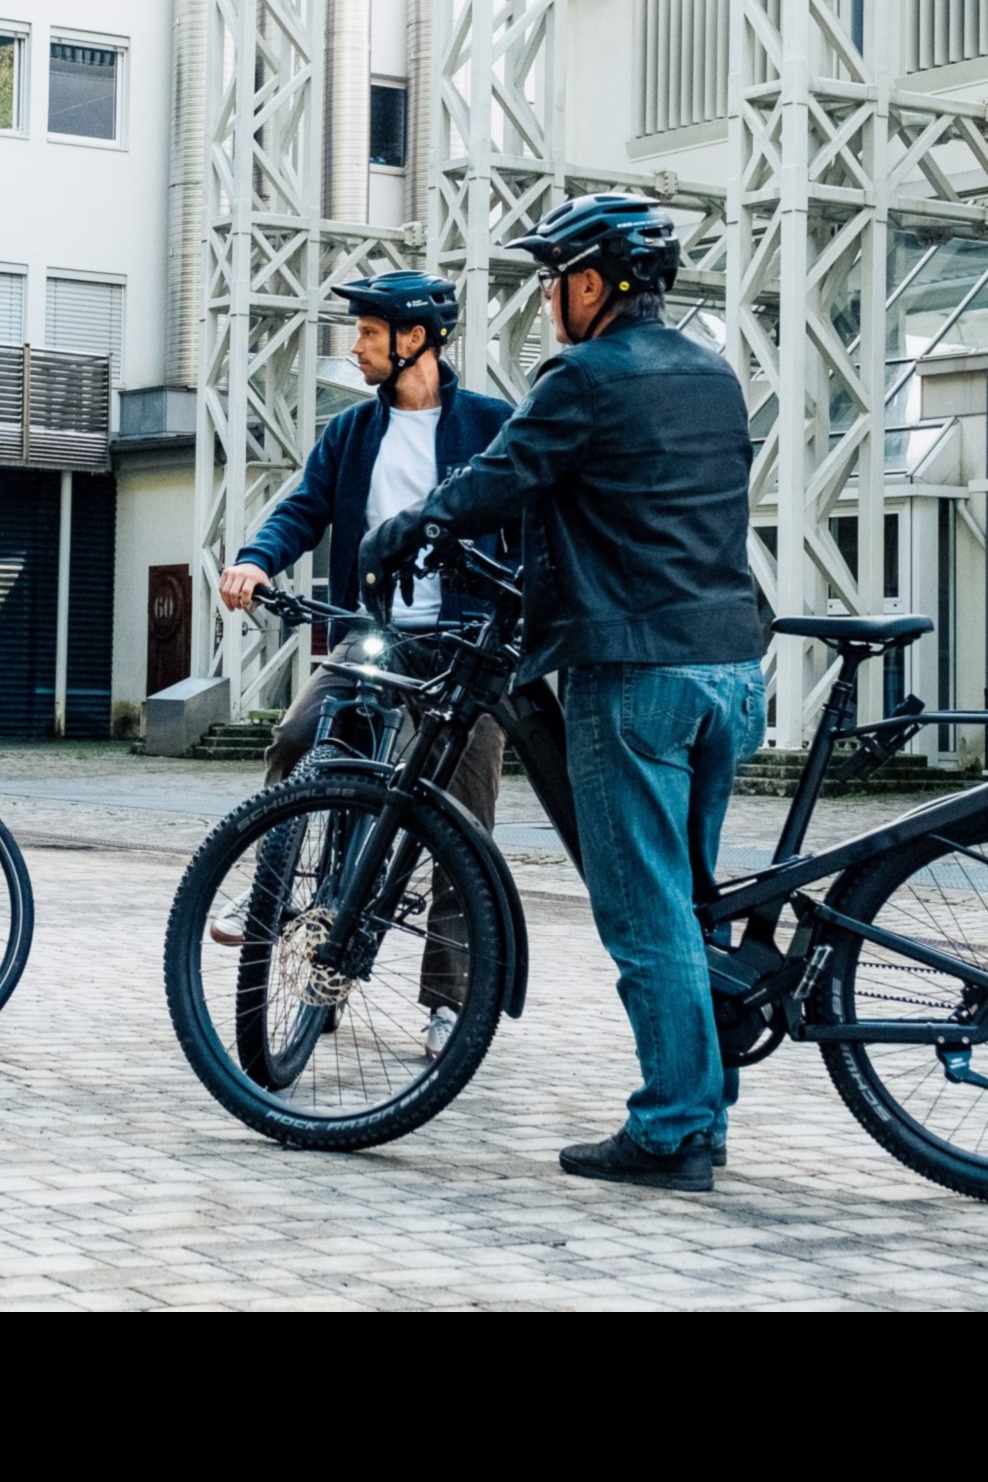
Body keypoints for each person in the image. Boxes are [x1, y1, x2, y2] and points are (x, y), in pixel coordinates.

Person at [362, 193, 765, 1193]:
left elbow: (501, 476)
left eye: (551, 279)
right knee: (690, 903)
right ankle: (701, 1107)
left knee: (645, 917)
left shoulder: (584, 377)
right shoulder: (711, 375)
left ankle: (672, 1129)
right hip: (729, 668)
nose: (546, 298)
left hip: (635, 676)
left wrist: (410, 526)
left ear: (591, 282)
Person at [216, 270, 514, 1059]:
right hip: (371, 631)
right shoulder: (351, 433)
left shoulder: (490, 424)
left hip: (462, 647)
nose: (354, 348)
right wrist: (256, 559)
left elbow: (525, 523)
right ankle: (276, 891)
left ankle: (449, 1000)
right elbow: (304, 508)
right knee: (296, 738)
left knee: (463, 820)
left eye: (368, 335)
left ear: (415, 338)